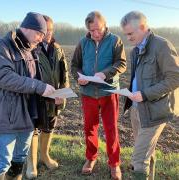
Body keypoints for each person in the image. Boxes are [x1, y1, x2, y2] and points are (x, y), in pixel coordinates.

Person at [120, 11, 179, 179]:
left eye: (131, 34)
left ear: (143, 27)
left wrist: (145, 94)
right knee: (147, 151)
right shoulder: (135, 50)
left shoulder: (162, 46)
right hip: (137, 109)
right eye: (126, 34)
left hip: (155, 110)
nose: (128, 38)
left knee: (138, 159)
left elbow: (175, 78)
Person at [0, 12, 57, 180]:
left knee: (19, 160)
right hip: (8, 117)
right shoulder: (3, 46)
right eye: (39, 33)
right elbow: (4, 77)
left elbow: (34, 80)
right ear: (27, 28)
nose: (41, 38)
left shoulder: (31, 50)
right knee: (2, 163)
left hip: (29, 117)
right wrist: (40, 87)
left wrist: (52, 95)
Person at [71, 11, 126, 180]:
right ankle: (90, 158)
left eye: (98, 29)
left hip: (108, 92)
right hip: (88, 94)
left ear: (105, 24)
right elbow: (74, 65)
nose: (95, 34)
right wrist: (79, 77)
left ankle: (114, 163)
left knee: (111, 129)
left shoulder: (115, 40)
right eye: (91, 30)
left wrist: (106, 73)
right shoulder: (82, 42)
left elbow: (122, 63)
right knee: (89, 128)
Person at [26, 15, 69, 179]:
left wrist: (63, 93)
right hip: (36, 99)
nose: (49, 34)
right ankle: (31, 163)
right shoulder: (30, 49)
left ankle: (45, 156)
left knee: (49, 127)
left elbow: (64, 74)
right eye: (46, 31)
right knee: (34, 130)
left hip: (55, 99)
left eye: (51, 30)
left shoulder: (58, 48)